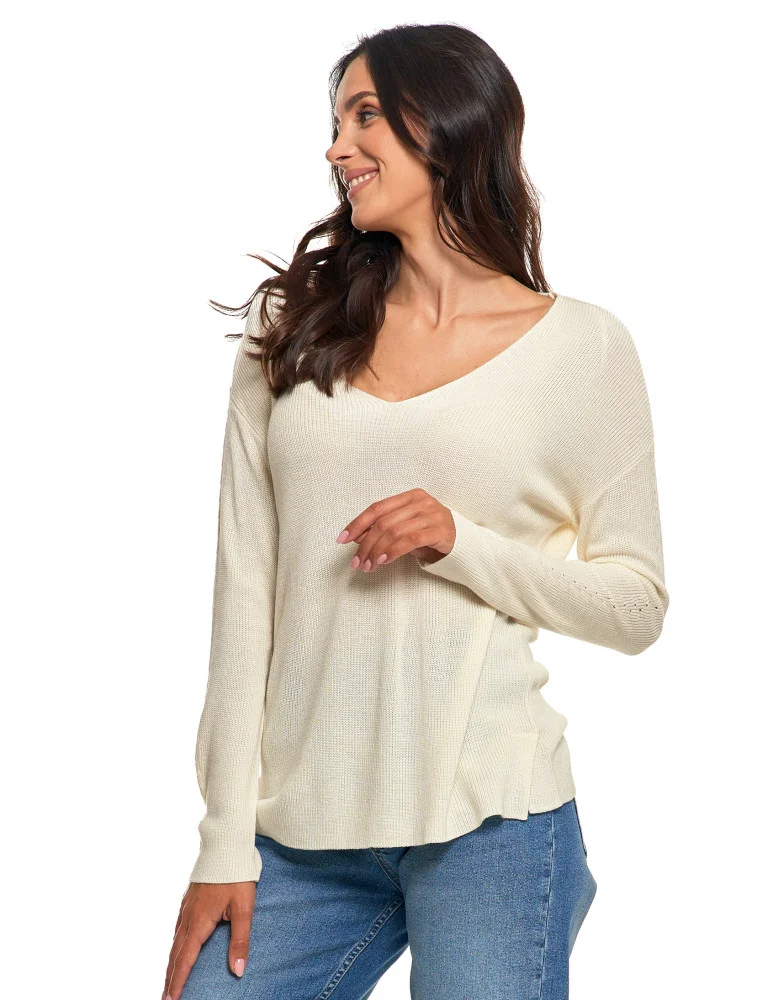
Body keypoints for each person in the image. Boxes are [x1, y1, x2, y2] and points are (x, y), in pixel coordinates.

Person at [162, 22, 669, 1000]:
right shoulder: (290, 327)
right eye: (334, 122)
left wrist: (459, 542)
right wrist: (223, 837)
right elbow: (244, 594)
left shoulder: (583, 350)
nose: (336, 148)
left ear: (445, 124)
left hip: (493, 816)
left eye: (364, 117)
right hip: (300, 830)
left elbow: (637, 605)